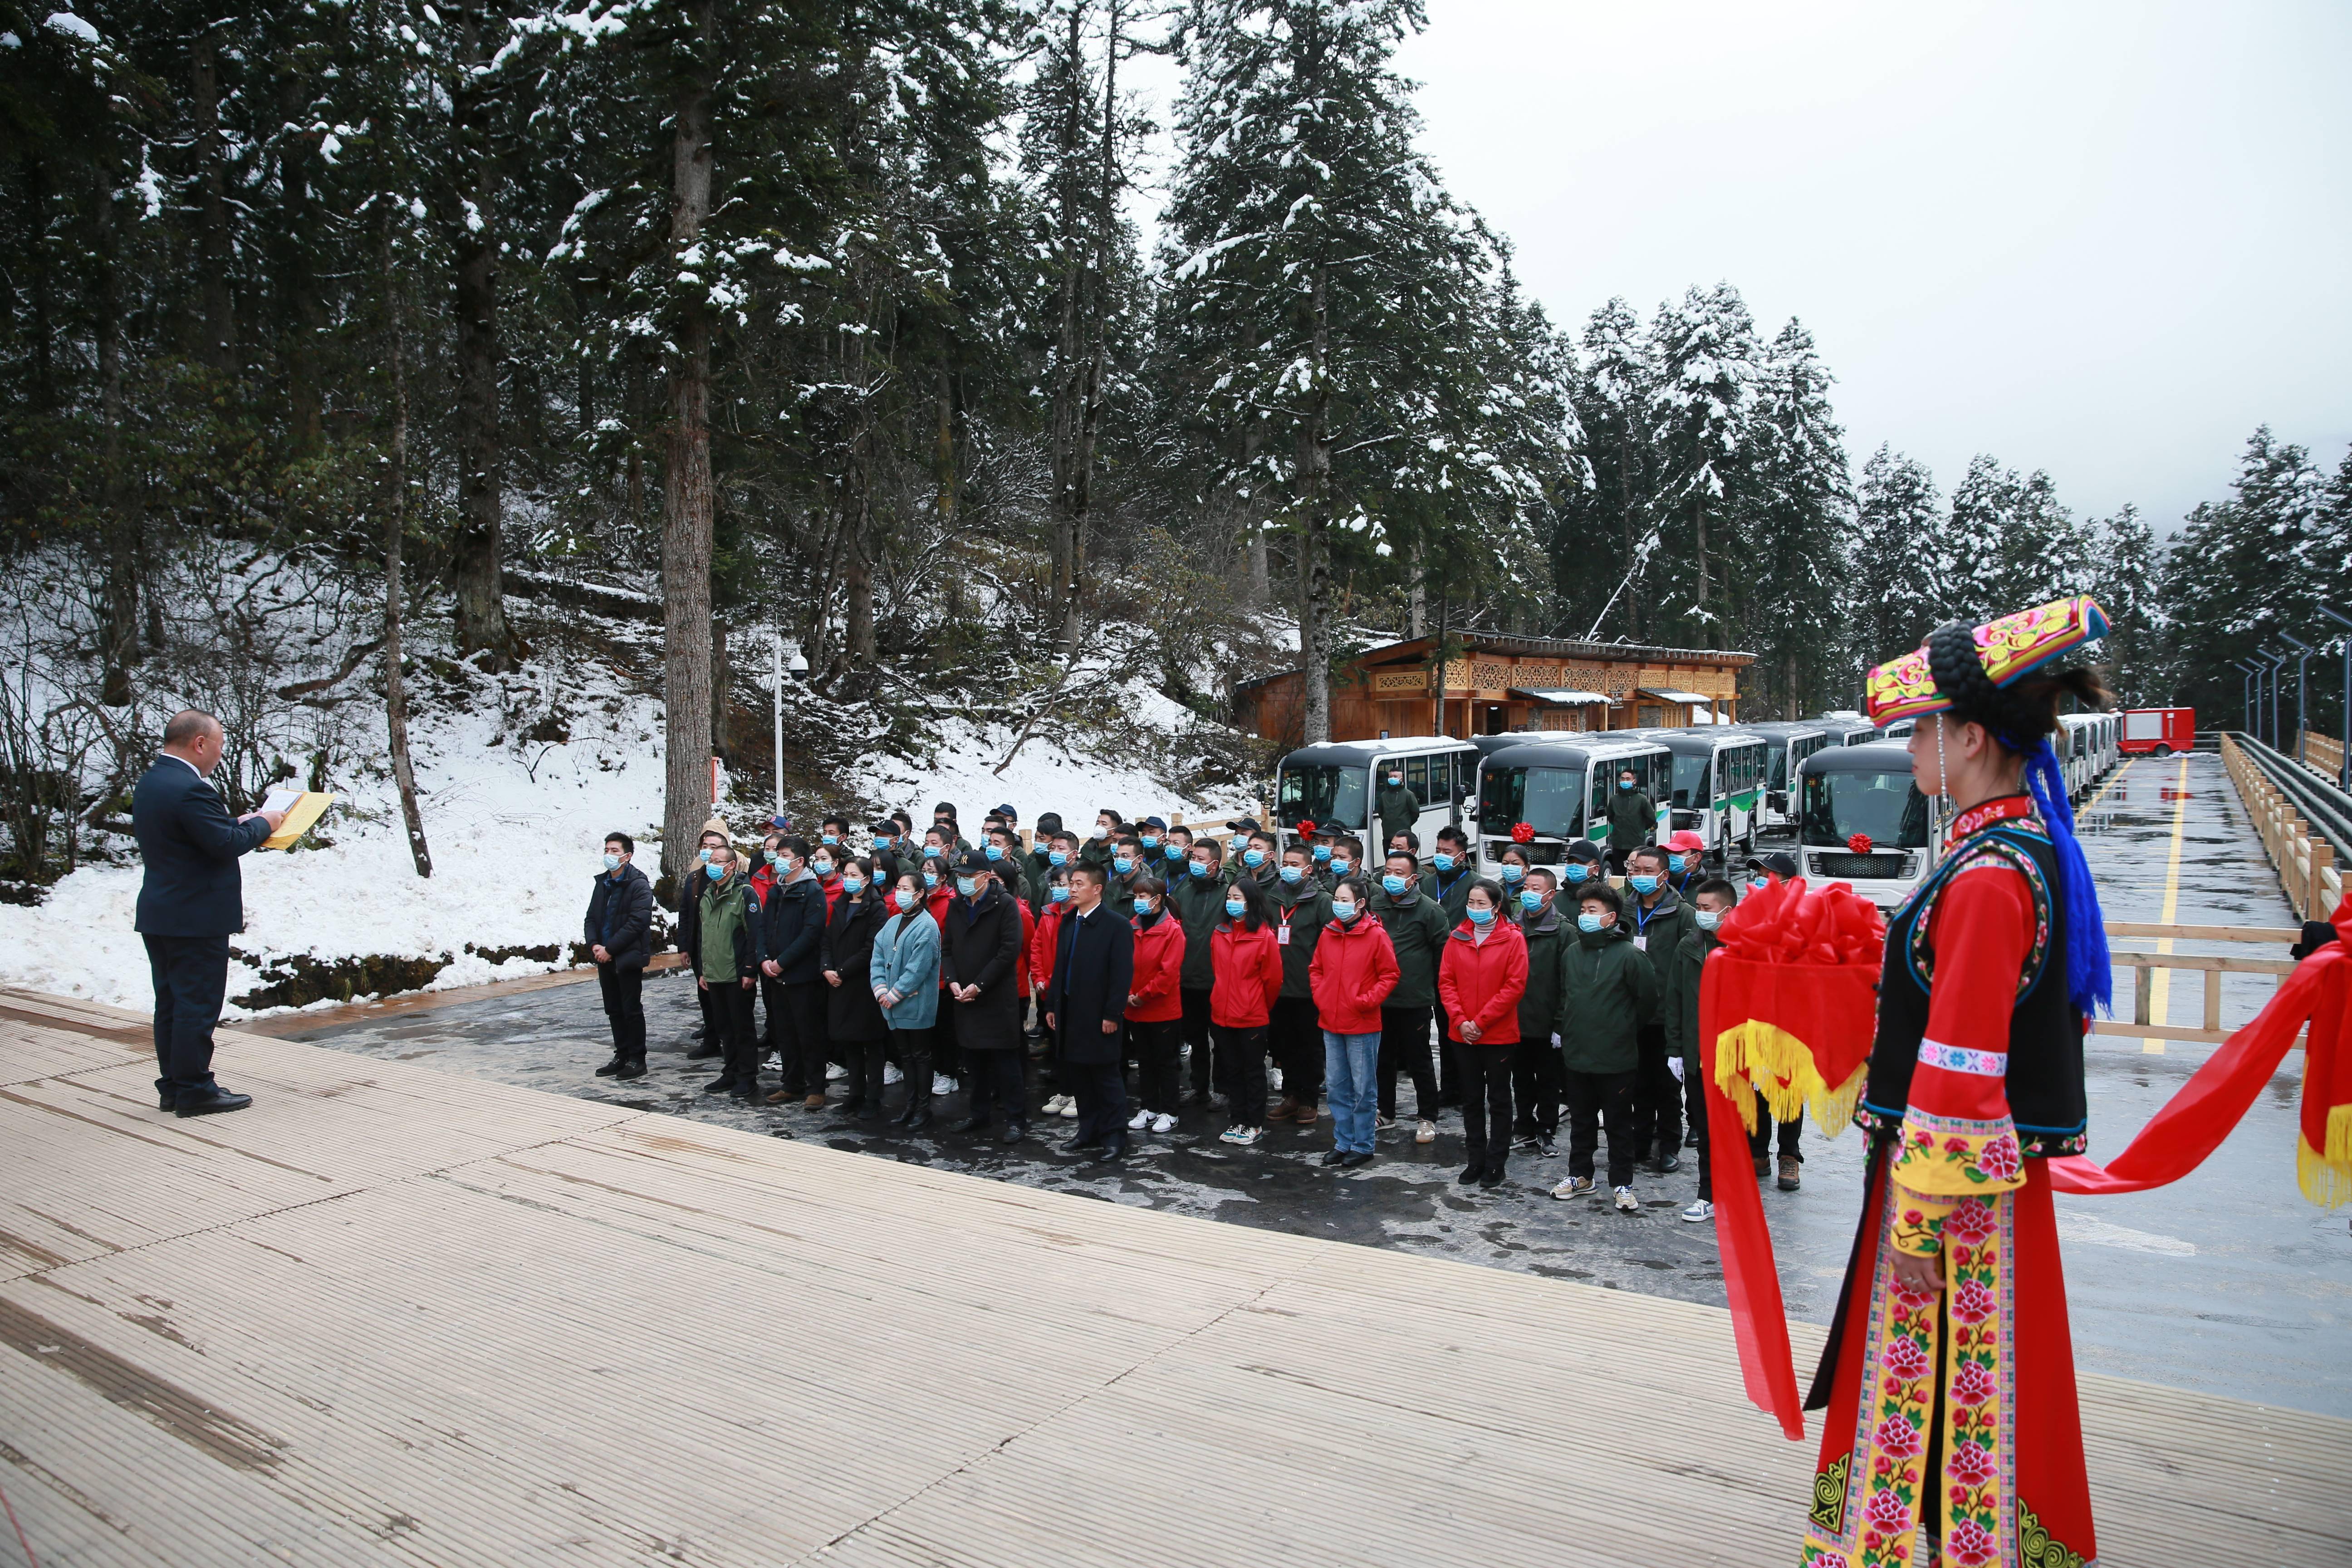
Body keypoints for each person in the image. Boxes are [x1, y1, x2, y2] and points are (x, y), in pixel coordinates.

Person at [1793, 601, 2116, 1568]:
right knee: (1971, 1400)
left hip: (1955, 1198)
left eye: (1923, 730)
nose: (1910, 751)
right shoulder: (2014, 847)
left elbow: (1964, 1065)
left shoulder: (1986, 877)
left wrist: (1916, 1220)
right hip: (1979, 1187)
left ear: (1971, 737)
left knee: (1939, 1395)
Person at [132, 709, 288, 1117]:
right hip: (195, 915)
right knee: (195, 1006)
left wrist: (235, 822)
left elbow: (193, 835)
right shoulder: (190, 788)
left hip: (162, 910)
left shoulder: (153, 781)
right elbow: (222, 845)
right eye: (218, 746)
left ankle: (174, 1087)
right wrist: (266, 823)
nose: (219, 755)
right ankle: (196, 1090)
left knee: (170, 1004)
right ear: (200, 743)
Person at [1548, 882, 1656, 1213]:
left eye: (1592, 911)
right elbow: (1566, 997)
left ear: (1611, 917)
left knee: (1619, 1124)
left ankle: (1622, 1182)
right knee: (1581, 1121)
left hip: (1616, 1057)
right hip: (1578, 1055)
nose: (1585, 917)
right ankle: (1580, 1175)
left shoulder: (1631, 957)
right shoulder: (1571, 953)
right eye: (1582, 911)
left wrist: (1620, 1029)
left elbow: (1647, 1003)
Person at [1436, 878, 1528, 1190]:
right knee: (1472, 1099)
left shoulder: (1513, 939)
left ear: (1496, 907)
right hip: (1462, 1034)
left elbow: (1514, 986)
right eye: (1471, 903)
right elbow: (1446, 982)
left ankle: (1496, 1162)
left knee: (1499, 1099)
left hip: (1498, 1034)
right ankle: (1475, 1159)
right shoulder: (1457, 937)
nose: (1475, 909)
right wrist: (1462, 1021)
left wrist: (1482, 1022)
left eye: (1482, 904)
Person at [1044, 863, 1136, 1162]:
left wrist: (1112, 1014)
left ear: (1097, 889)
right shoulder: (1070, 921)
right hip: (1070, 1011)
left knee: (1106, 1077)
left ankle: (1114, 1137)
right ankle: (1088, 1131)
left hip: (1100, 1015)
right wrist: (1052, 1004)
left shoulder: (1116, 925)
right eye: (1071, 883)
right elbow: (1061, 967)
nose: (1072, 889)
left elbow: (1121, 975)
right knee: (1079, 1075)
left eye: (1079, 884)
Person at [1309, 875, 1399, 1170]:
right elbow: (1316, 968)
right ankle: (1343, 1141)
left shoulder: (1375, 935)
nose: (1339, 905)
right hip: (1331, 1021)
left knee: (1363, 1089)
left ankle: (1363, 1144)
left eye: (1345, 900)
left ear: (1361, 904)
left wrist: (1366, 1000)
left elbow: (1389, 974)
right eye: (1337, 899)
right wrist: (1322, 996)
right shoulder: (1329, 933)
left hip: (1362, 1023)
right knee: (1337, 1087)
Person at [942, 851, 1029, 1142]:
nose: (963, 882)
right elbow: (948, 948)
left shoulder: (1003, 905)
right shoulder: (956, 906)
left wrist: (979, 984)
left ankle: (1016, 1119)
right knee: (974, 1060)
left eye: (969, 877)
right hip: (964, 993)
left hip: (994, 995)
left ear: (986, 877)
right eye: (960, 877)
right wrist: (953, 981)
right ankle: (978, 1114)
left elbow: (1008, 951)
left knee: (1006, 1061)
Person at [1666, 875, 1738, 1222]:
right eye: (1698, 907)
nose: (1700, 914)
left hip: (1738, 1057)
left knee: (1738, 1131)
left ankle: (1738, 1194)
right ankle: (1707, 1193)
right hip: (1698, 1056)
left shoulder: (1749, 948)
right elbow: (1676, 1000)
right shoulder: (1689, 947)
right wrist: (1676, 1049)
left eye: (1707, 909)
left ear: (1728, 911)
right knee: (1707, 1128)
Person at [1622, 843, 1695, 1174]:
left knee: (1667, 1085)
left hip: (1666, 1016)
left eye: (1648, 872)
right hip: (1631, 1014)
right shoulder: (1624, 909)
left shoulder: (1683, 915)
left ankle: (1668, 1145)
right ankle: (1639, 1140)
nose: (1640, 877)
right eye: (1636, 871)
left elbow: (1688, 969)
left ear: (1664, 876)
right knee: (1636, 1083)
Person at [1369, 848, 1446, 1142]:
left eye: (1399, 874)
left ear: (1414, 878)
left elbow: (1443, 954)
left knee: (1419, 1061)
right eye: (1388, 872)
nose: (1391, 878)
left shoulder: (1430, 911)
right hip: (1380, 998)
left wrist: (1434, 990)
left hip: (1414, 999)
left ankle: (1428, 1116)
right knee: (1383, 1059)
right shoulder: (1376, 904)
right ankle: (1385, 1112)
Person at [1210, 876, 1284, 1147]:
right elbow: (1217, 971)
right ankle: (1237, 1120)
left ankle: (1253, 1123)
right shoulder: (1221, 932)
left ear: (1251, 903)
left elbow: (1273, 980)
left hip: (1252, 1016)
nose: (1232, 903)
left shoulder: (1264, 936)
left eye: (1238, 898)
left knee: (1252, 1071)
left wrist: (1258, 1006)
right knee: (1232, 1071)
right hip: (1222, 1014)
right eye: (1229, 897)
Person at [759, 836, 831, 1108]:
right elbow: (764, 928)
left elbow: (811, 934)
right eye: (778, 853)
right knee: (784, 1033)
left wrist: (783, 962)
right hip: (775, 975)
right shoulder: (777, 890)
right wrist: (765, 959)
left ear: (800, 861)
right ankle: (792, 1084)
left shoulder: (812, 891)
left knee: (809, 1034)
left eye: (785, 854)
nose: (779, 859)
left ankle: (816, 1087)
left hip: (802, 975)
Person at [820, 856, 892, 1118]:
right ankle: (855, 1094)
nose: (848, 879)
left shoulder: (876, 908)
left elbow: (872, 947)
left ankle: (873, 1098)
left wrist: (842, 970)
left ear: (866, 878)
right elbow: (827, 939)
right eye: (846, 874)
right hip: (838, 982)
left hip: (863, 983)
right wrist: (827, 968)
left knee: (871, 1043)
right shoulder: (841, 904)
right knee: (849, 1042)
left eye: (854, 875)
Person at [691, 844, 764, 1098]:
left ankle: (747, 1076)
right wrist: (703, 970)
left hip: (736, 974)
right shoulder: (708, 894)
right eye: (711, 860)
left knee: (742, 1027)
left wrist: (749, 969)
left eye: (719, 860)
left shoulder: (745, 894)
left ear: (732, 866)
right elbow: (704, 935)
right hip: (714, 974)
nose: (712, 864)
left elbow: (754, 934)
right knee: (724, 1027)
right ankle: (730, 1071)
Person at [871, 871, 941, 1129]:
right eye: (898, 887)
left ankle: (923, 1108)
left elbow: (919, 968)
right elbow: (878, 956)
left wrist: (894, 994)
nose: (899, 892)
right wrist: (880, 989)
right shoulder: (893, 921)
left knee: (920, 1055)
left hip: (915, 1003)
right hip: (891, 1002)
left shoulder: (927, 925)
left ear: (920, 893)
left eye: (905, 888)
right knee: (906, 1056)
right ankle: (909, 1105)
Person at [1269, 843, 1332, 1124]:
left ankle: (1309, 1099)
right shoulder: (1272, 897)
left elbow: (1329, 946)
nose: (1288, 869)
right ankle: (1291, 1095)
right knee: (1284, 1045)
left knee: (1310, 1047)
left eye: (1295, 865)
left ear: (1309, 869)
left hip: (1308, 989)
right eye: (1286, 863)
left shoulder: (1322, 902)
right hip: (1277, 988)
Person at [586, 832, 654, 1079]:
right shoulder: (603, 882)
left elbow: (638, 922)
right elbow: (592, 917)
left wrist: (610, 949)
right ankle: (621, 1054)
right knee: (613, 1009)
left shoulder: (638, 884)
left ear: (627, 856)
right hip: (603, 955)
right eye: (607, 850)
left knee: (631, 1008)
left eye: (615, 851)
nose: (610, 855)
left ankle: (637, 1059)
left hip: (626, 956)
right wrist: (595, 945)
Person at [1509, 866, 1567, 1156]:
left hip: (1547, 1022)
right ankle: (1524, 1124)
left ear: (1551, 894)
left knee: (1548, 1079)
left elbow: (1568, 982)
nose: (1529, 894)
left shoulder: (1563, 931)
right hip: (1515, 1020)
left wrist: (1560, 1023)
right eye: (1526, 888)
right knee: (1519, 1077)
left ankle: (1546, 1129)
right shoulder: (1511, 926)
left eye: (1536, 889)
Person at [1124, 871, 1186, 1135]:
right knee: (1145, 1061)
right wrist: (1127, 994)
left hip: (1161, 1009)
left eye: (1143, 896)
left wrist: (1143, 995)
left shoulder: (1173, 931)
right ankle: (1148, 1107)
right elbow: (1121, 963)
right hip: (1134, 1008)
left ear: (1157, 900)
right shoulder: (1131, 926)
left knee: (1166, 1062)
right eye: (1136, 896)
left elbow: (1168, 973)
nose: (1138, 900)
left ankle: (1169, 1112)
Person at [1170, 837, 1226, 1107]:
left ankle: (1223, 1088)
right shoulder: (1184, 889)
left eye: (1200, 860)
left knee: (1222, 1039)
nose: (1194, 863)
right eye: (1193, 858)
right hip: (1188, 977)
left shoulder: (1229, 893)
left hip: (1218, 979)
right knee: (1196, 1037)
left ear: (1214, 865)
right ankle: (1199, 1086)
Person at [1422, 826, 1476, 1107]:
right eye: (1439, 851)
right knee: (1443, 1033)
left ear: (1461, 856)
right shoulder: (1427, 883)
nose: (1442, 857)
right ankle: (1450, 1087)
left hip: (1463, 972)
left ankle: (1470, 1087)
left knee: (1462, 1032)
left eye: (1448, 852)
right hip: (1431, 969)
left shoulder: (1475, 885)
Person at [673, 819, 735, 1058]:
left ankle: (731, 1046)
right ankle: (711, 1039)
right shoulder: (695, 877)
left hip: (725, 950)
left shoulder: (735, 880)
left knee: (726, 1002)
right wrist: (684, 947)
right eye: (705, 845)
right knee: (705, 996)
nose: (708, 851)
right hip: (700, 947)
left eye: (714, 846)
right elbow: (686, 913)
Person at [1604, 764, 1656, 873]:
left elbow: (1651, 818)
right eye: (1622, 779)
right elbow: (1611, 817)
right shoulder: (1614, 800)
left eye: (1628, 779)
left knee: (1636, 871)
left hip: (1636, 844)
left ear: (1634, 781)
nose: (1625, 781)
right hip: (1618, 845)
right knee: (1619, 873)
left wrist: (1639, 827)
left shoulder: (1642, 800)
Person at [1375, 762, 1422, 854]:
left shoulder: (1408, 795)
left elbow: (1415, 813)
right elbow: (1381, 813)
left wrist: (1406, 823)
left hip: (1404, 837)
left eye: (1395, 776)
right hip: (1388, 836)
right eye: (1391, 776)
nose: (1393, 778)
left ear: (1401, 779)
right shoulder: (1384, 795)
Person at [1662, 829, 1707, 897]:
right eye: (1669, 852)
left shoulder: (1710, 890)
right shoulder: (1659, 882)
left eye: (1678, 852)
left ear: (1696, 858)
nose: (1671, 856)